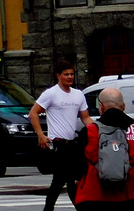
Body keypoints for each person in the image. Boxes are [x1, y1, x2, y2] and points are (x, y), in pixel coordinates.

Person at [74, 88, 134, 211]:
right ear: (124, 106)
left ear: (101, 106)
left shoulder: (89, 132)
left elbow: (79, 168)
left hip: (94, 199)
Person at [30, 61, 94, 211]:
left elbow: (85, 118)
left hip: (72, 144)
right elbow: (33, 113)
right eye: (66, 74)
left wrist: (98, 129)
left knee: (68, 180)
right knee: (61, 180)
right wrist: (40, 135)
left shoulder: (78, 94)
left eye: (72, 74)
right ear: (58, 76)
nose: (70, 77)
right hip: (58, 144)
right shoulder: (51, 93)